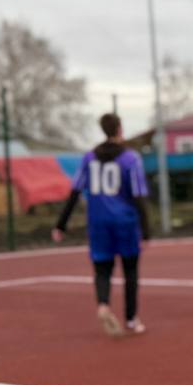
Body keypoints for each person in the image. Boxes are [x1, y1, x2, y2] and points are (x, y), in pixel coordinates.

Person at [52, 113, 150, 336]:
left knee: (102, 270)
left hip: (98, 223)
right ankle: (131, 319)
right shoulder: (130, 158)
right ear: (119, 129)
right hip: (125, 222)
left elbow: (75, 192)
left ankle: (103, 305)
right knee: (130, 271)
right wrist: (145, 231)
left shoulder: (89, 158)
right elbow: (138, 195)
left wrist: (61, 225)